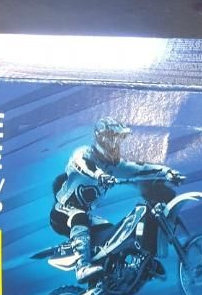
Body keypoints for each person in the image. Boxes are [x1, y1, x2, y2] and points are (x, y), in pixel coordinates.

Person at [51, 118, 181, 281]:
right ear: (102, 138)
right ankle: (82, 267)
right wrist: (100, 175)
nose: (116, 144)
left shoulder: (113, 166)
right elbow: (83, 164)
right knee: (79, 216)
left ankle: (112, 275)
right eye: (114, 138)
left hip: (88, 215)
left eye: (118, 140)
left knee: (113, 236)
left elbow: (139, 168)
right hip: (63, 210)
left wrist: (167, 172)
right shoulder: (84, 153)